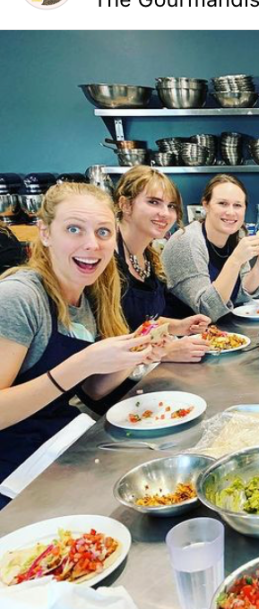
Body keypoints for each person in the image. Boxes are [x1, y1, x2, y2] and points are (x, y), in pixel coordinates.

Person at [0, 183, 166, 508]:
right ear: (45, 232)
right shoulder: (19, 297)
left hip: (58, 443)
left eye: (103, 232)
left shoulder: (89, 295)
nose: (92, 244)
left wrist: (136, 355)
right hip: (14, 469)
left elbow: (93, 391)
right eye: (74, 229)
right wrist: (83, 363)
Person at [114, 166, 210, 363]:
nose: (165, 213)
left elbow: (141, 320)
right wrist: (166, 352)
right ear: (125, 204)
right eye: (153, 202)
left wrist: (178, 326)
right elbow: (105, 338)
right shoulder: (106, 259)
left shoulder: (148, 255)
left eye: (171, 206)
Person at [162, 175, 259, 320]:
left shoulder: (238, 234)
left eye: (237, 205)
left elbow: (240, 295)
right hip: (183, 330)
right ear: (206, 205)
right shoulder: (187, 242)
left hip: (222, 328)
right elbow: (207, 311)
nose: (231, 212)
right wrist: (235, 260)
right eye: (222, 203)